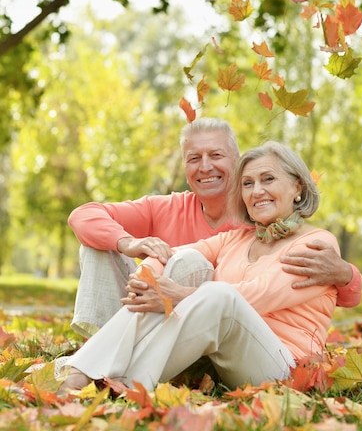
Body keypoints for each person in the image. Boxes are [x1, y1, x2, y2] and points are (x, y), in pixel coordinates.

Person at [58, 140, 346, 393]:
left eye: (268, 179)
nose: (257, 191)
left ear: (297, 186)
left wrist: (178, 296)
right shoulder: (237, 238)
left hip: (284, 365)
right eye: (248, 183)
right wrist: (148, 278)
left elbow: (257, 295)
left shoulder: (318, 244)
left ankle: (102, 376)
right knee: (188, 263)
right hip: (228, 361)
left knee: (221, 295)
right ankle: (98, 374)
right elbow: (172, 254)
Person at [68, 118, 362, 338]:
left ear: (237, 161)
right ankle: (97, 345)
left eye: (216, 156)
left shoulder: (259, 218)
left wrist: (344, 273)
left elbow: (339, 295)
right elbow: (84, 215)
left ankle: (109, 357)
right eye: (194, 159)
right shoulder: (164, 207)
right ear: (185, 168)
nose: (205, 167)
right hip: (151, 311)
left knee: (190, 262)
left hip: (212, 329)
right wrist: (127, 243)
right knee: (96, 245)